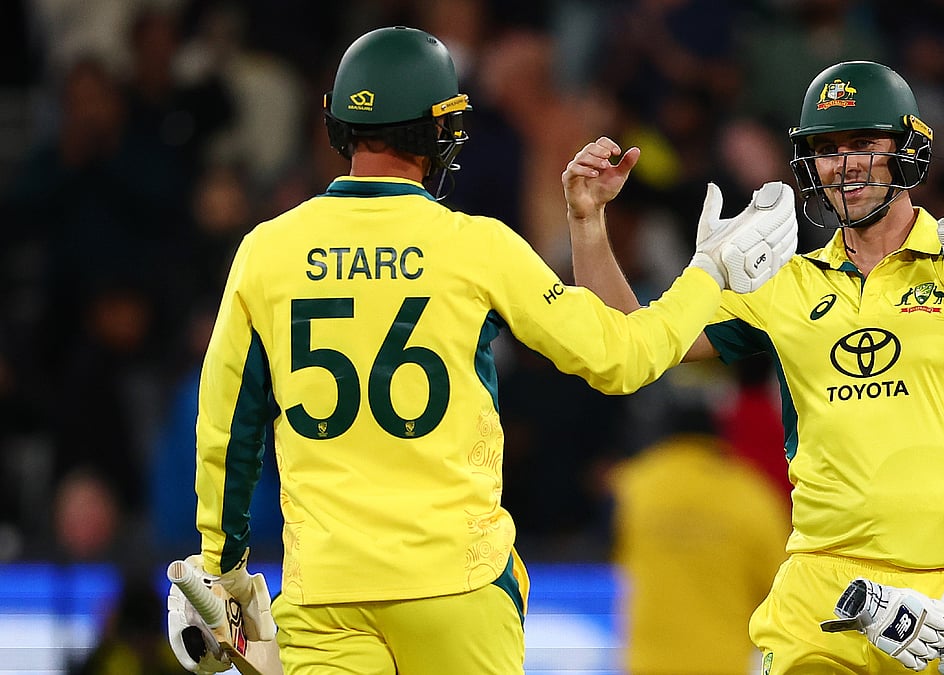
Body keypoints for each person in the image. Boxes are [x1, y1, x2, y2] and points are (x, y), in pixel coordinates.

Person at [164, 26, 798, 675]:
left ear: (339, 124)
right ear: (440, 132)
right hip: (458, 585)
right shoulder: (476, 247)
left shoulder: (267, 250)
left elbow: (225, 426)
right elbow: (622, 358)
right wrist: (710, 273)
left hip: (327, 595)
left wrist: (221, 569)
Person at [563, 61, 944, 674]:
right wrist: (589, 224)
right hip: (818, 599)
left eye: (863, 144)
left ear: (908, 150)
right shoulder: (780, 284)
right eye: (826, 148)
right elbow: (628, 344)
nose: (843, 164)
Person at [609, 385, 789, 675]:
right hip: (723, 663)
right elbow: (778, 587)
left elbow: (615, 555)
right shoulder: (751, 495)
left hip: (646, 661)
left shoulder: (635, 485)